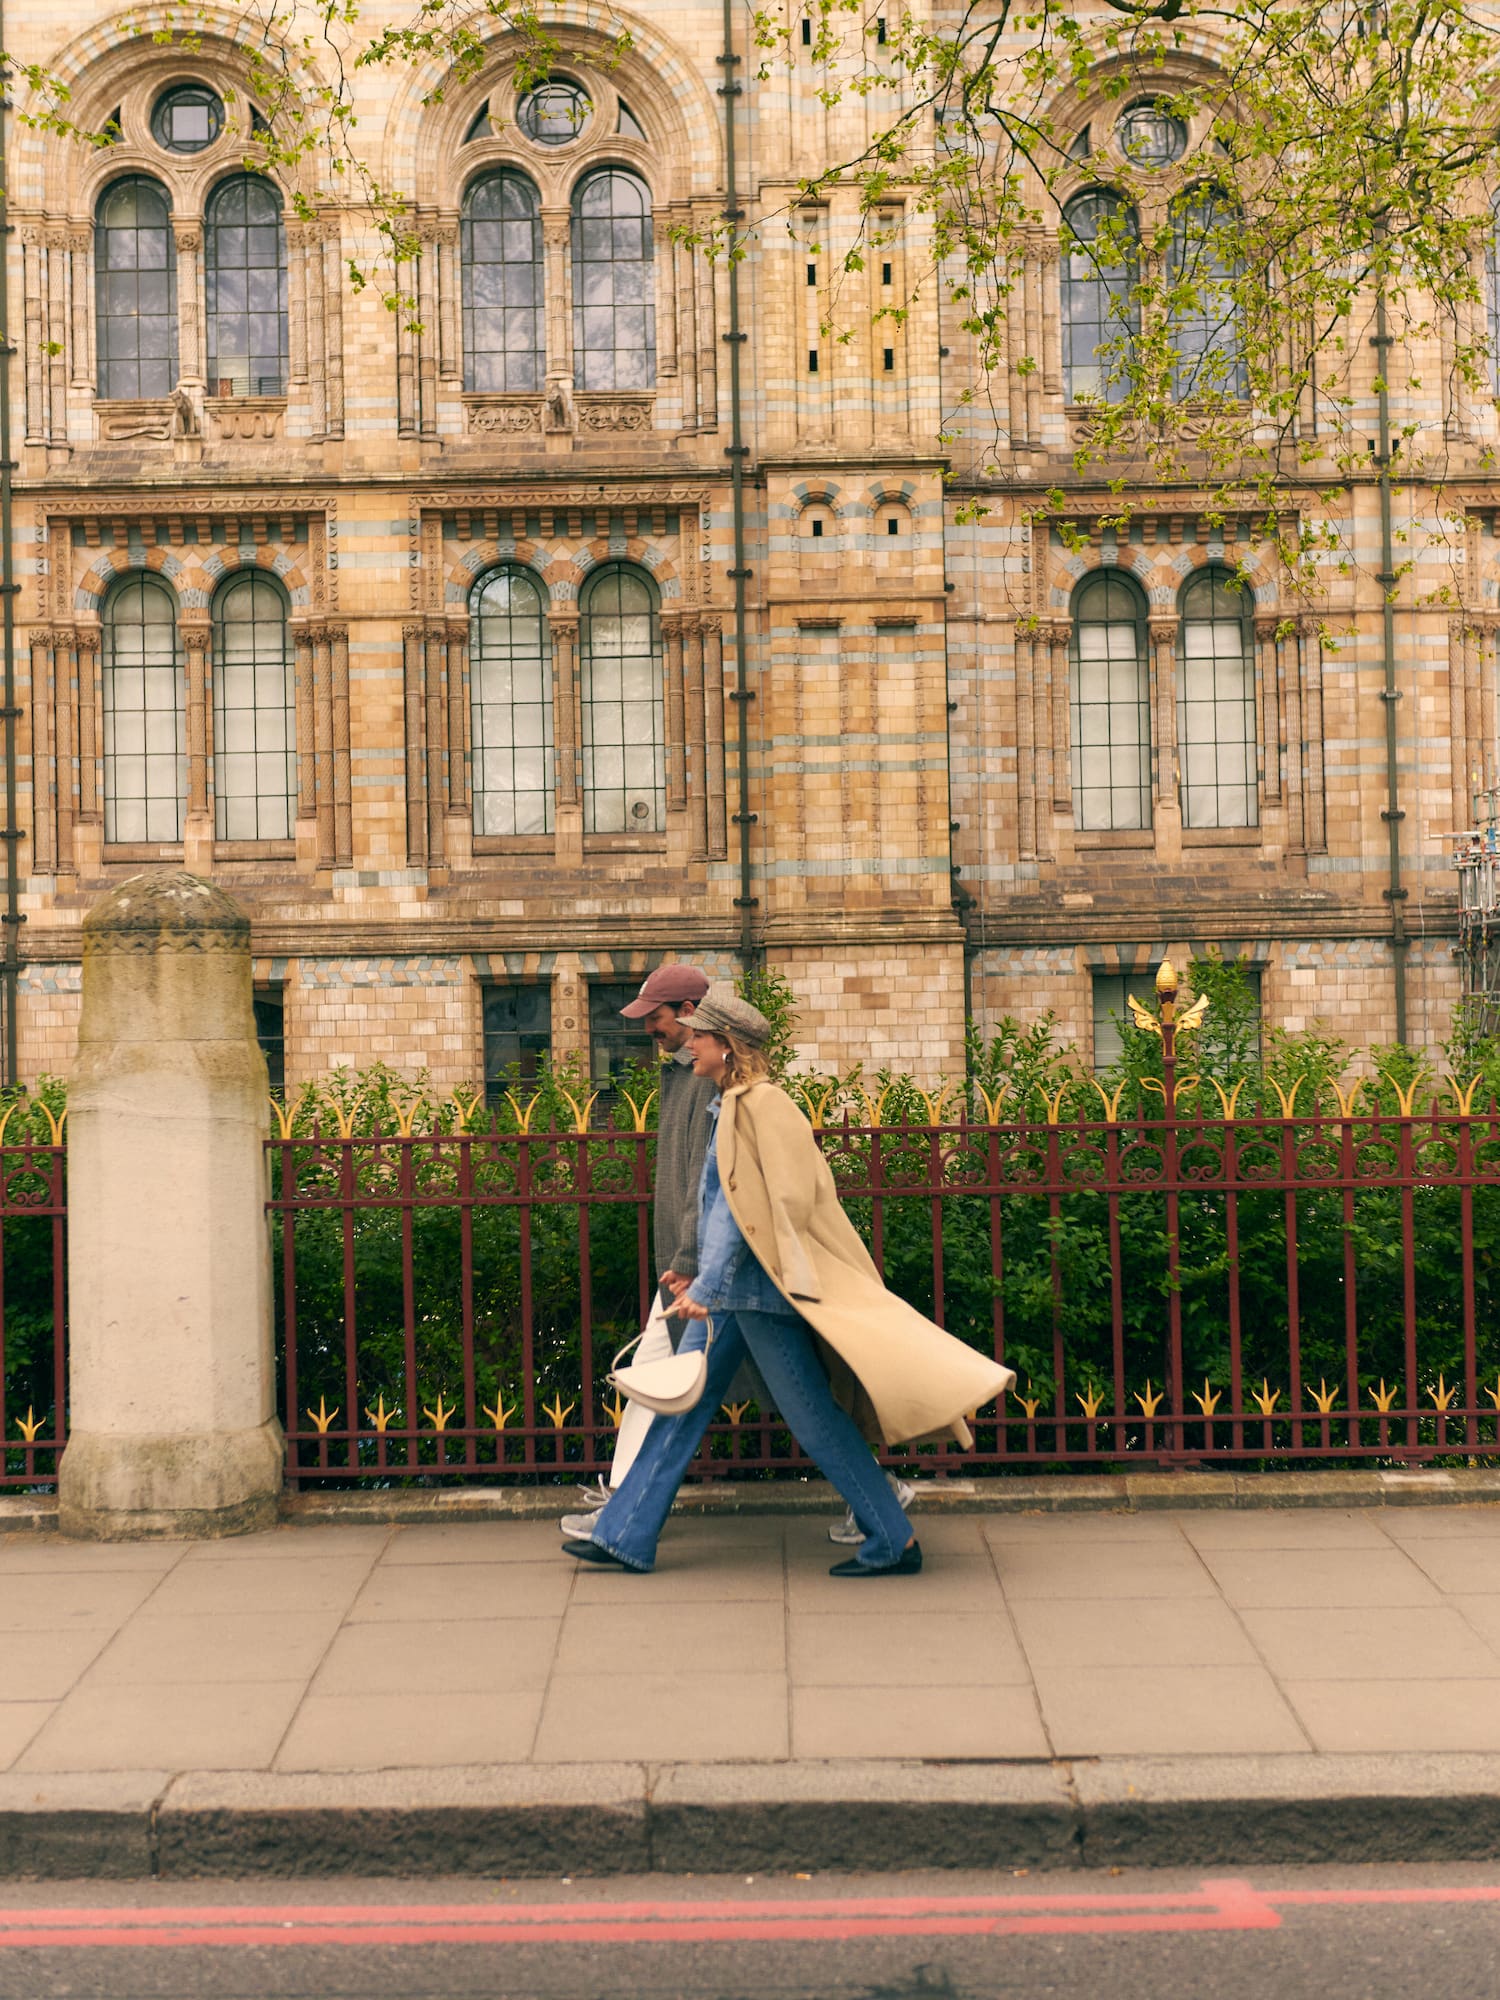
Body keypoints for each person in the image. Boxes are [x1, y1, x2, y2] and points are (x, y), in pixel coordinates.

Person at [564, 985, 1016, 1576]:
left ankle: (891, 1537)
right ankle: (626, 1533)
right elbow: (719, 1203)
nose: (689, 1046)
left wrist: (706, 1284)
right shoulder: (728, 1105)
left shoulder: (761, 1105)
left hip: (755, 1294)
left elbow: (761, 1208)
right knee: (685, 1408)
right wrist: (694, 1266)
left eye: (699, 1036)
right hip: (733, 1290)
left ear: (727, 1045)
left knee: (812, 1418)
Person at [558, 965, 717, 1536]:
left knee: (797, 1397)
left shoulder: (705, 1079)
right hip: (691, 1267)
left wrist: (689, 1261)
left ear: (690, 1011)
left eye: (656, 1017)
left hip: (703, 1272)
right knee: (652, 1375)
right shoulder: (683, 1075)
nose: (648, 1028)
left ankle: (624, 1510)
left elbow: (706, 1176)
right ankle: (623, 1503)